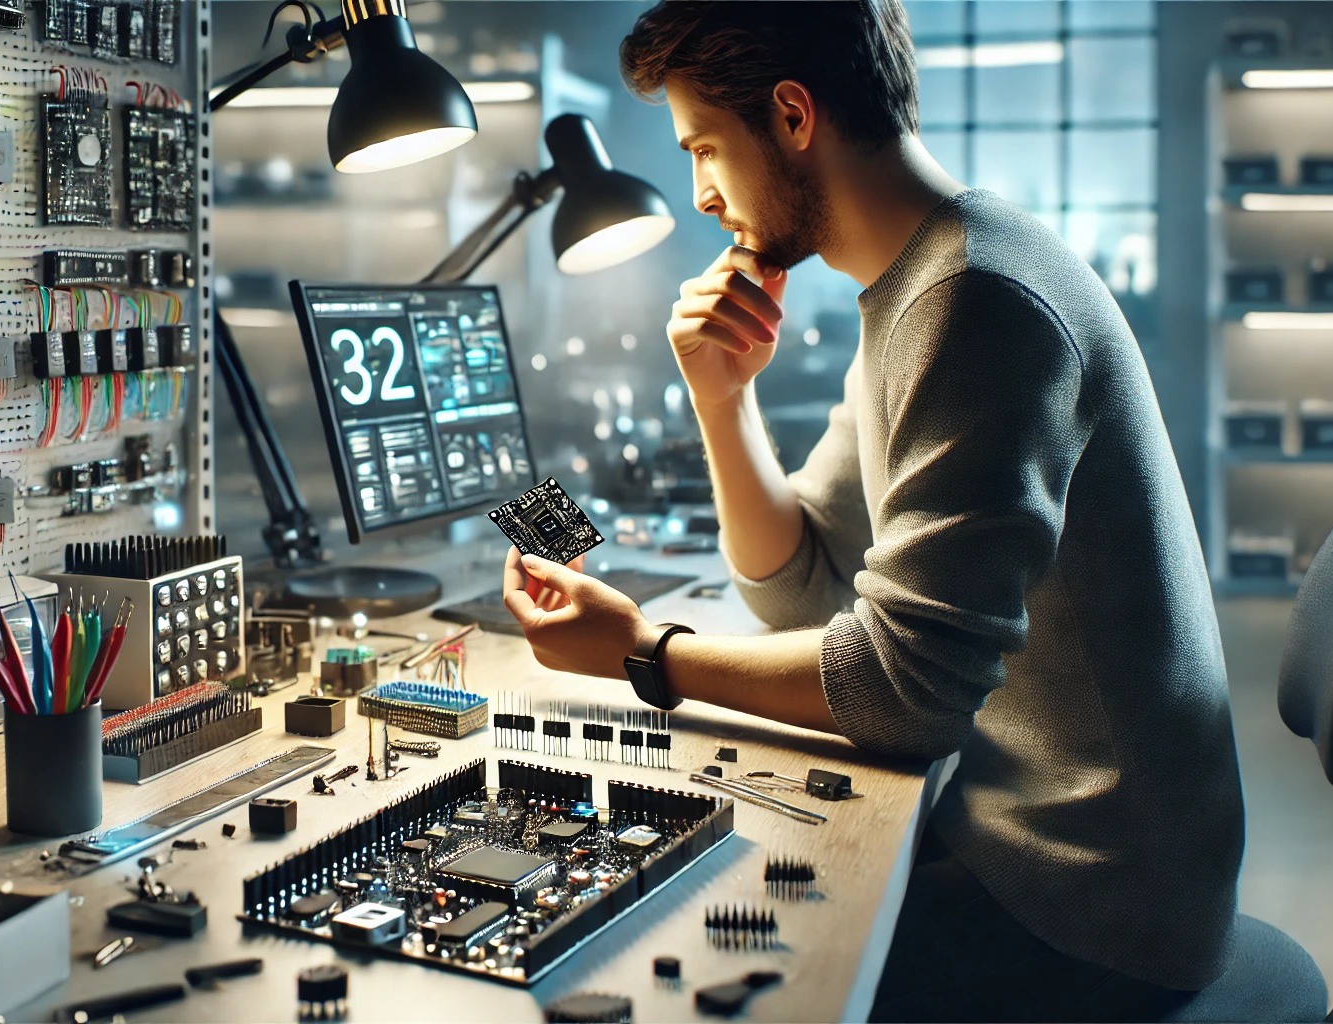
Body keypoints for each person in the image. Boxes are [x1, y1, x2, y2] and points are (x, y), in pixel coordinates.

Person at [500, 3, 1244, 1020]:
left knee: (697, 980)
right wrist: (723, 396)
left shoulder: (978, 301)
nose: (702, 194)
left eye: (706, 149)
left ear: (794, 116)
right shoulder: (920, 279)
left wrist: (644, 651)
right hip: (1032, 837)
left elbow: (904, 692)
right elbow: (797, 583)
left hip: (1094, 902)